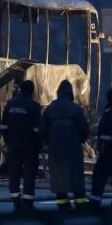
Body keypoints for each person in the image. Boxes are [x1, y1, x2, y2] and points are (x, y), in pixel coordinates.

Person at [40, 80, 90, 211]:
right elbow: (84, 131)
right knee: (77, 181)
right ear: (70, 93)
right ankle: (81, 207)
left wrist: (47, 143)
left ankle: (63, 208)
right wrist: (79, 141)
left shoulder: (49, 110)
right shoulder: (76, 110)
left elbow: (42, 130)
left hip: (56, 152)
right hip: (73, 150)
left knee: (60, 183)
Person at [0, 80, 42, 212]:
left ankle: (16, 201)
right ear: (32, 91)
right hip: (30, 146)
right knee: (29, 174)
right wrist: (39, 144)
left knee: (14, 173)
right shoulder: (34, 106)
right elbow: (37, 129)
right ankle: (28, 203)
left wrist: (8, 140)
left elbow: (3, 126)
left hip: (14, 143)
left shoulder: (10, 104)